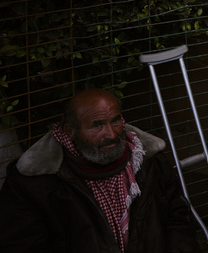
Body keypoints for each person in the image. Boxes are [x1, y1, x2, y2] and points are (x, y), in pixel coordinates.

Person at [0, 89, 198, 253]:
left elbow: (178, 220)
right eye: (97, 126)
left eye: (115, 121)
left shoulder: (149, 161)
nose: (111, 134)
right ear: (70, 131)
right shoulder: (35, 182)